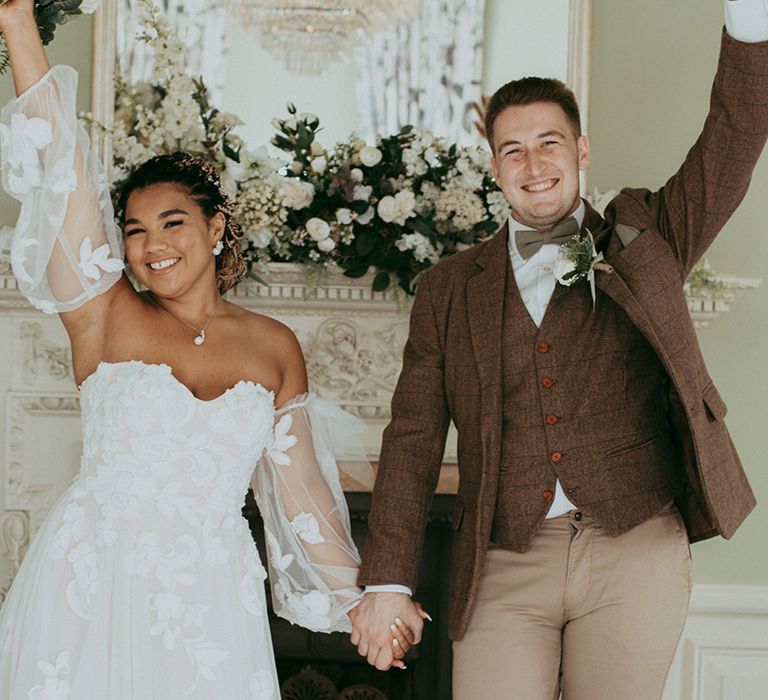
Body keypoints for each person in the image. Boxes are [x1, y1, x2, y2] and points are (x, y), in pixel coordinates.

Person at [350, 1, 768, 697]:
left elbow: (735, 133)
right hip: (505, 559)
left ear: (581, 150)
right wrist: (388, 579)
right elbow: (413, 438)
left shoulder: (644, 243)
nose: (533, 163)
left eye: (550, 142)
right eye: (513, 148)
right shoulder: (451, 290)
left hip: (633, 546)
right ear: (494, 166)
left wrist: (750, 16)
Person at [0, 1, 412, 696]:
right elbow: (61, 162)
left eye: (172, 222)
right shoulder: (100, 314)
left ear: (217, 226)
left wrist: (368, 605)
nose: (153, 245)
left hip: (209, 594)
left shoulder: (272, 347)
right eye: (133, 230)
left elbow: (304, 496)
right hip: (89, 580)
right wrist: (16, 23)